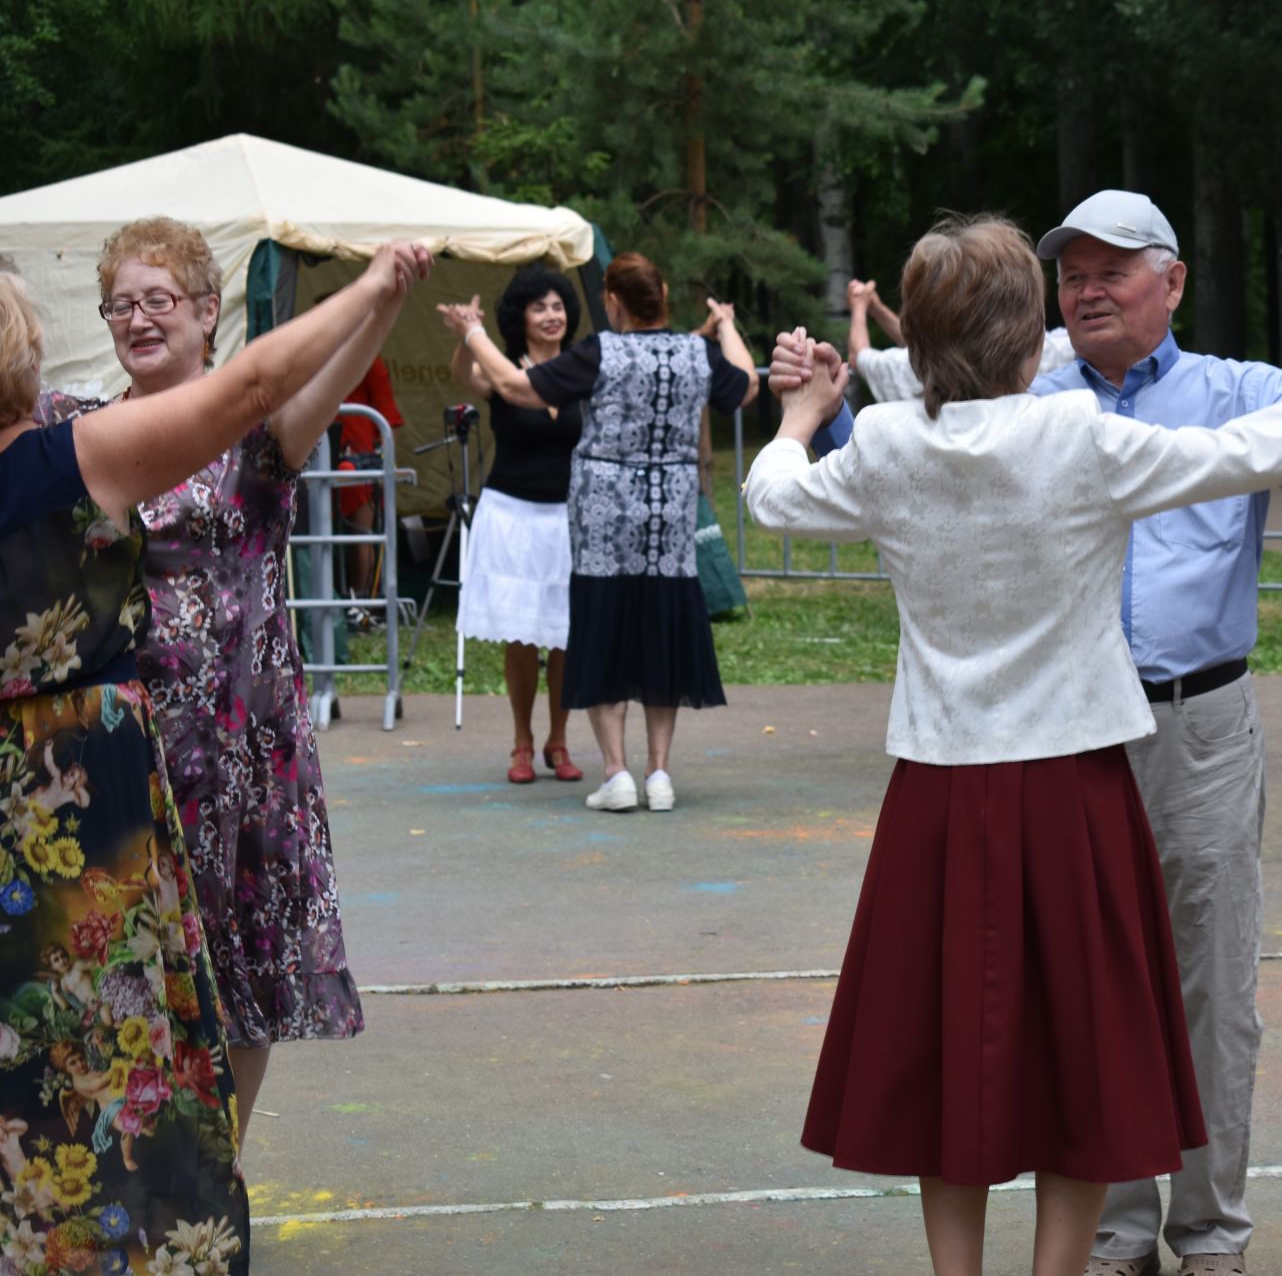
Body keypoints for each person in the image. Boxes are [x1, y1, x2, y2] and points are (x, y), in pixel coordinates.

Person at [775, 190, 1282, 1276]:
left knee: (1083, 1014)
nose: (1087, 289)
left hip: (1071, 754)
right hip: (1076, 763)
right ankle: (1092, 1252)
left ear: (1172, 281)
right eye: (1065, 276)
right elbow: (1266, 446)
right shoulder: (1065, 420)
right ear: (1030, 325)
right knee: (1088, 1020)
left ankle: (1169, 1237)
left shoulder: (908, 435)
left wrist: (801, 419)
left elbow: (775, 493)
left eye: (1111, 269)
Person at [0, 242, 430, 1275]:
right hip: (117, 753)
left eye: (158, 301)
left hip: (227, 742)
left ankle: (186, 1176)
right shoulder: (76, 427)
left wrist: (377, 304)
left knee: (215, 971)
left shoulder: (236, 440)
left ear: (206, 311)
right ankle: (151, 1206)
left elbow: (287, 385)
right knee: (110, 1002)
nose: (136, 319)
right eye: (118, 304)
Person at [442, 253, 757, 813]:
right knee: (662, 633)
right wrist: (728, 324)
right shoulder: (695, 352)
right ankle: (658, 773)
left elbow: (515, 386)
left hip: (605, 524)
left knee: (605, 633)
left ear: (612, 302)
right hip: (669, 522)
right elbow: (748, 386)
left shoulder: (600, 353)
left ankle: (617, 772)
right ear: (661, 295)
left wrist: (470, 330)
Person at [447, 266, 587, 785]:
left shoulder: (579, 367)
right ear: (520, 317)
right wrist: (467, 336)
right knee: (523, 638)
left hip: (568, 517)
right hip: (511, 516)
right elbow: (466, 375)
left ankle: (560, 740)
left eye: (558, 306)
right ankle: (523, 742)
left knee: (568, 635)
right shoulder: (503, 367)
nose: (552, 316)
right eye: (539, 307)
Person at [845, 277, 1076, 404]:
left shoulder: (915, 371)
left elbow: (859, 357)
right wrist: (877, 308)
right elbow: (923, 342)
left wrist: (860, 307)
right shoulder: (1046, 351)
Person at [333, 352, 406, 607]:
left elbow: (390, 419)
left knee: (361, 534)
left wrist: (383, 463)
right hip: (323, 452)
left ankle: (361, 606)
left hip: (359, 458)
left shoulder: (370, 361)